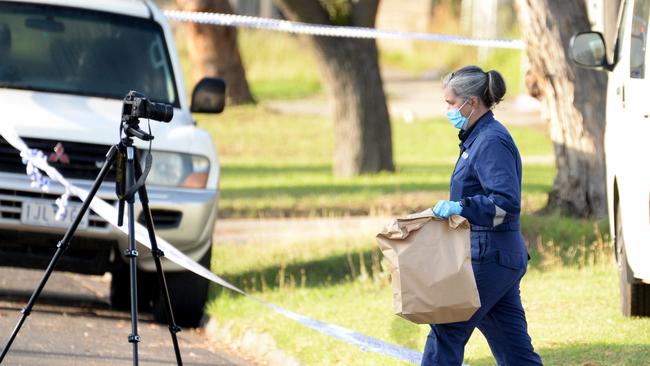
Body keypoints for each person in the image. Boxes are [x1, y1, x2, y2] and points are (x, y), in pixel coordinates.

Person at [422, 65, 543, 365]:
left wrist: (462, 207)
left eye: (451, 103)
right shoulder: (477, 138)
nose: (447, 109)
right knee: (515, 353)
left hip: (490, 256)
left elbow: (506, 203)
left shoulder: (490, 141)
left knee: (445, 330)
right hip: (497, 258)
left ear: (472, 102)